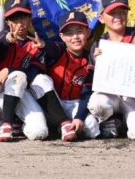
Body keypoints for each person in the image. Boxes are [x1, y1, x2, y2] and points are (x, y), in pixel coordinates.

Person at [88, 0, 135, 140]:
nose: (119, 16)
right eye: (113, 13)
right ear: (102, 18)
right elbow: (93, 80)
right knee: (98, 104)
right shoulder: (98, 44)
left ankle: (122, 123)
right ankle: (109, 119)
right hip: (110, 95)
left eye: (122, 12)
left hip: (134, 95)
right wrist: (98, 63)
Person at [0, 0, 50, 143]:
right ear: (8, 22)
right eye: (14, 19)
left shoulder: (36, 44)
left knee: (39, 132)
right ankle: (6, 123)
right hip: (1, 90)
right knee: (17, 76)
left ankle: (15, 119)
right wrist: (9, 38)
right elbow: (2, 40)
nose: (19, 23)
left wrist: (9, 70)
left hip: (22, 92)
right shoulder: (3, 37)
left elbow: (35, 72)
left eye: (23, 18)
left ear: (30, 19)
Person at [39, 10, 99, 141]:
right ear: (62, 36)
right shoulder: (58, 51)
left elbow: (87, 93)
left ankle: (64, 127)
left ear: (88, 33)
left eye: (79, 31)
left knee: (92, 128)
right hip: (53, 104)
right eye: (69, 33)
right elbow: (51, 48)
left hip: (75, 104)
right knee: (38, 130)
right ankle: (60, 124)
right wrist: (43, 45)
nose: (75, 37)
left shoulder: (91, 58)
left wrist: (79, 117)